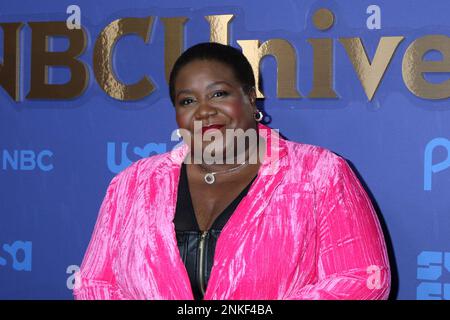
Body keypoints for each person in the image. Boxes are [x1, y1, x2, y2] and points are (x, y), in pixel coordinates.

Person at [74, 42, 391, 300]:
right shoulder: (134, 184)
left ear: (251, 97)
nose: (204, 109)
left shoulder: (318, 174)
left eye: (219, 94)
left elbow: (363, 281)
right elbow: (93, 285)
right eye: (187, 101)